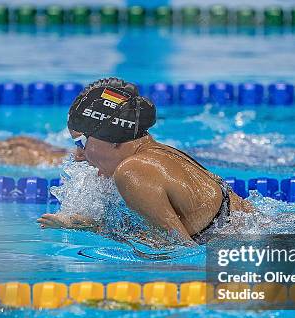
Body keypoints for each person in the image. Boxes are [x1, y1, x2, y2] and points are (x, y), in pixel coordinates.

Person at [36, 78, 254, 244]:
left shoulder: (132, 171)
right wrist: (88, 226)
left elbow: (179, 250)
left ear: (110, 137)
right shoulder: (159, 154)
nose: (78, 156)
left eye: (81, 144)